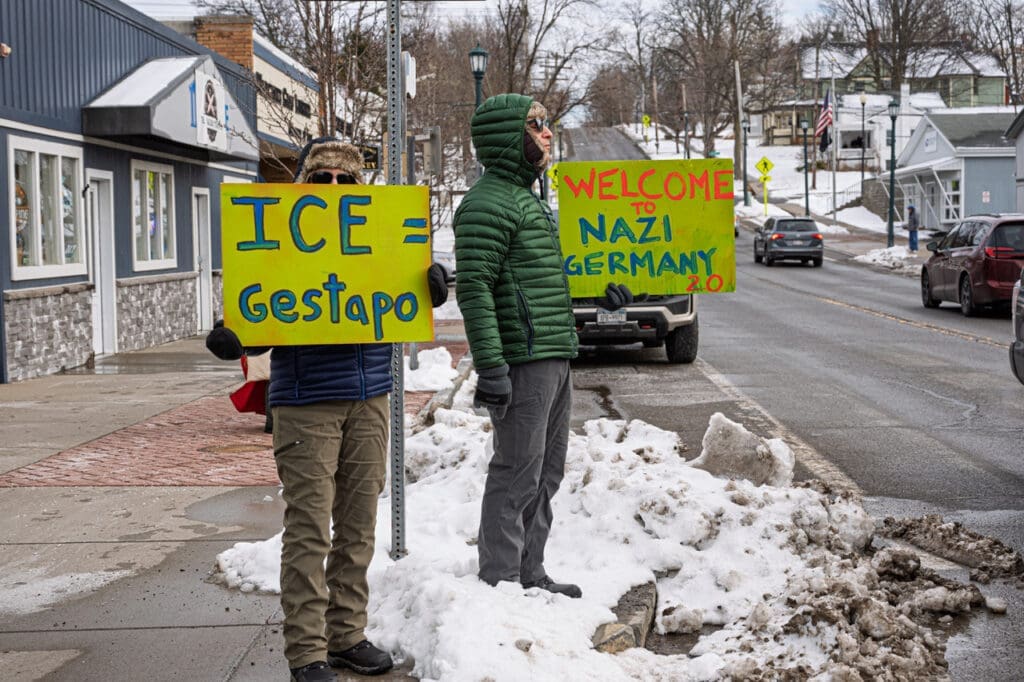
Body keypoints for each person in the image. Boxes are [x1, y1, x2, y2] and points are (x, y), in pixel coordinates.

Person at [206, 137, 449, 682]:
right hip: (305, 402)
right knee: (310, 530)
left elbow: (401, 302)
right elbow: (260, 320)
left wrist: (429, 288)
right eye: (322, 179)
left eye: (345, 180)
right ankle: (307, 652)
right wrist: (233, 338)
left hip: (370, 397)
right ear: (304, 186)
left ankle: (346, 636)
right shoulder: (280, 246)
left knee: (358, 527)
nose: (334, 188)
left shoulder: (379, 239)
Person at [454, 94, 632, 600]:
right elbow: (475, 291)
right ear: (507, 137)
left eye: (546, 123)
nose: (548, 132)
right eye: (536, 124)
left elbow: (537, 283)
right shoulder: (487, 204)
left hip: (553, 352)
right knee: (516, 471)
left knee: (546, 472)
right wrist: (492, 367)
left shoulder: (528, 200)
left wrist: (600, 297)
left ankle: (531, 571)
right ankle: (501, 579)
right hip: (521, 360)